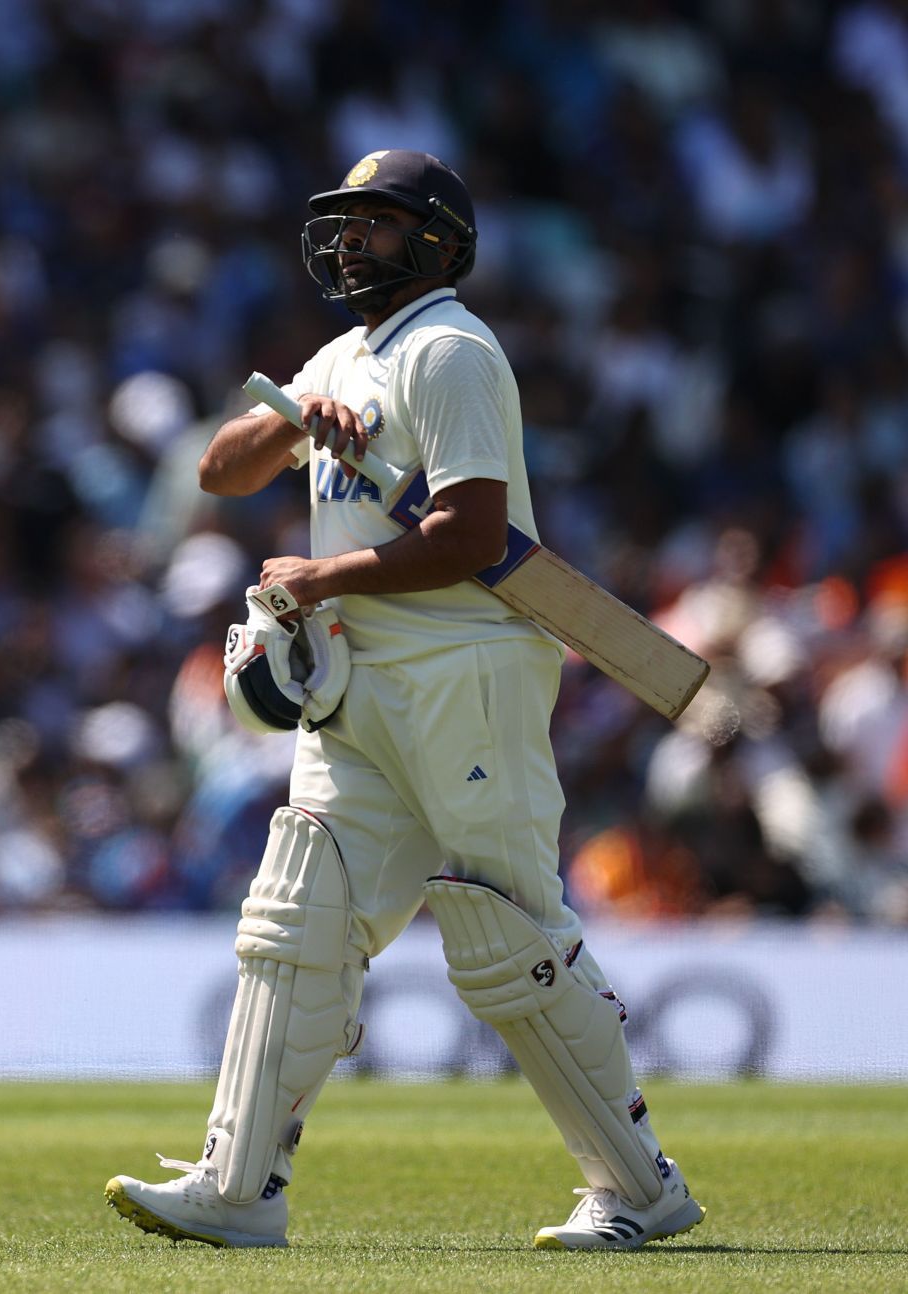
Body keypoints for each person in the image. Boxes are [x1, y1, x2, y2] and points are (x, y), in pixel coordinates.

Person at [104, 150, 706, 1250]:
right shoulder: (344, 351)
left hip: (465, 669)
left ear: (435, 241)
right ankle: (238, 1190)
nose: (347, 245)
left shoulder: (451, 351)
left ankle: (640, 1185)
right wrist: (296, 420)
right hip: (358, 679)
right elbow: (220, 472)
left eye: (374, 225)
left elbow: (474, 539)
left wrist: (321, 575)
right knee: (298, 917)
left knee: (506, 933)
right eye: (341, 225)